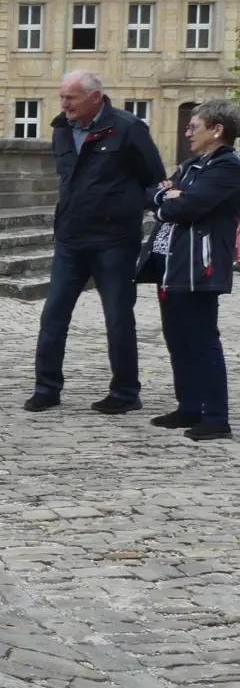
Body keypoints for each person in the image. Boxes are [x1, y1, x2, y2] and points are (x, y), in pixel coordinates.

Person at [27, 71, 165, 414]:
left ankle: (125, 392)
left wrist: (132, 208)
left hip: (115, 241)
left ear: (96, 97)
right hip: (71, 240)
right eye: (62, 96)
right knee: (54, 314)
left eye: (71, 98)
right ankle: (47, 387)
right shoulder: (61, 128)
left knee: (118, 318)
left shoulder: (128, 128)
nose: (64, 104)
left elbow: (154, 179)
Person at [137, 99, 240, 442]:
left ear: (217, 130)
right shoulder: (191, 166)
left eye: (194, 126)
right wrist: (169, 197)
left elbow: (190, 206)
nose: (187, 132)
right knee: (177, 337)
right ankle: (190, 405)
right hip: (171, 262)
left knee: (202, 340)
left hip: (201, 264)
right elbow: (156, 194)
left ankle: (216, 416)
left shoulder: (227, 166)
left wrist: (171, 201)